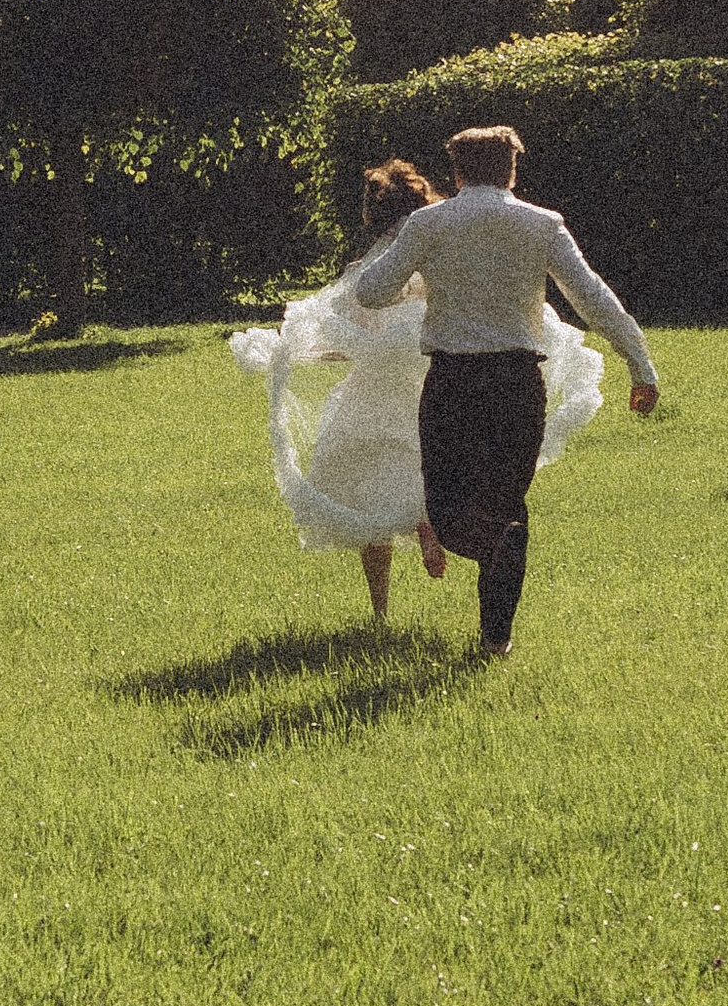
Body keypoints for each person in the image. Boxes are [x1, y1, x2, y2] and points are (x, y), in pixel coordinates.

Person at [350, 122, 657, 658]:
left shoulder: (428, 223)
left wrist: (420, 272)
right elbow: (593, 298)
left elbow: (373, 292)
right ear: (513, 169)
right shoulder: (543, 224)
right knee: (507, 505)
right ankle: (496, 640)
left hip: (452, 382)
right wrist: (641, 366)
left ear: (456, 171)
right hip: (519, 383)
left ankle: (492, 556)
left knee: (448, 514)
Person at [229, 160, 453, 618]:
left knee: (368, 503)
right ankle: (426, 522)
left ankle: (380, 611)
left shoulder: (364, 272)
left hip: (371, 393)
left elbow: (347, 341)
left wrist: (292, 354)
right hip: (423, 386)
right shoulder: (437, 267)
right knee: (426, 472)